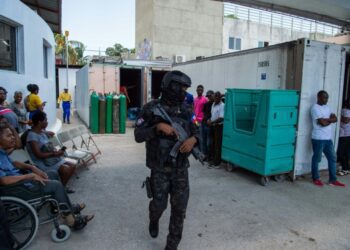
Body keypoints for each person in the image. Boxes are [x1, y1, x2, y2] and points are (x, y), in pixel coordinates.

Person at [134, 70, 199, 250]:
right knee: (159, 205)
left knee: (179, 211)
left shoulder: (186, 110)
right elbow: (138, 135)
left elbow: (197, 131)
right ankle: (153, 219)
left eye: (186, 88)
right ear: (170, 86)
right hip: (159, 169)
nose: (184, 92)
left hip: (180, 170)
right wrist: (157, 128)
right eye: (181, 87)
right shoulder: (150, 108)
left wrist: (192, 140)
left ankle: (171, 246)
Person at [0, 122, 94, 230]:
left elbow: (13, 163)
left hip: (21, 184)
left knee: (52, 174)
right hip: (18, 189)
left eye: (12, 134)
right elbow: (3, 180)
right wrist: (29, 176)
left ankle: (64, 207)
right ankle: (71, 220)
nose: (13, 137)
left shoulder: (2, 153)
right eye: (8, 135)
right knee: (56, 185)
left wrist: (32, 168)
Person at [25, 111, 75, 190]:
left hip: (51, 159)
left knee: (72, 165)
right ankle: (60, 189)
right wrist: (54, 154)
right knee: (65, 169)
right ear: (39, 122)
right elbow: (39, 155)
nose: (47, 122)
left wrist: (57, 152)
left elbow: (48, 144)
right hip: (43, 163)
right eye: (45, 120)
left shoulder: (41, 132)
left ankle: (61, 187)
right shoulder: (32, 136)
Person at [310, 90, 345, 187]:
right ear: (318, 97)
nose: (326, 100)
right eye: (324, 97)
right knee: (317, 159)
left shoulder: (327, 107)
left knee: (332, 158)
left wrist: (327, 119)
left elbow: (336, 119)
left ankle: (333, 180)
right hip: (318, 138)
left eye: (327, 98)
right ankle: (315, 178)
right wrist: (329, 120)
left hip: (327, 139)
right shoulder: (315, 108)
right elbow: (322, 123)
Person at [208, 91, 225, 168]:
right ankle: (213, 159)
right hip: (213, 126)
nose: (216, 98)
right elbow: (213, 115)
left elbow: (221, 118)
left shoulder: (222, 105)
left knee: (218, 145)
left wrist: (212, 122)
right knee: (212, 144)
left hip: (219, 127)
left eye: (217, 97)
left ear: (220, 98)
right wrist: (209, 120)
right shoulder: (213, 104)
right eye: (215, 97)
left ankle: (217, 163)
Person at [337, 99, 350, 176]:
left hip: (345, 134)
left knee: (342, 153)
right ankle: (346, 168)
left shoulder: (345, 110)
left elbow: (346, 120)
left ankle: (344, 169)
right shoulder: (345, 110)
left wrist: (338, 115)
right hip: (346, 134)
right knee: (345, 153)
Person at [194, 85, 208, 153]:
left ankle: (203, 153)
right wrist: (193, 120)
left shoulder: (205, 99)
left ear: (202, 91)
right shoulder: (195, 99)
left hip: (201, 121)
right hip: (195, 121)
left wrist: (203, 119)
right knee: (197, 136)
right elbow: (193, 110)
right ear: (196, 90)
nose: (199, 91)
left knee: (202, 137)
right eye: (198, 90)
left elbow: (207, 110)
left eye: (201, 90)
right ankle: (199, 151)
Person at [202, 90, 214, 161]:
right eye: (208, 96)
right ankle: (205, 155)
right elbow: (204, 113)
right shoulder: (206, 104)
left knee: (209, 142)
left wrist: (210, 120)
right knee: (203, 140)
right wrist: (207, 119)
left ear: (213, 95)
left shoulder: (216, 103)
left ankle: (210, 156)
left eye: (210, 96)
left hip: (211, 125)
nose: (209, 97)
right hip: (204, 124)